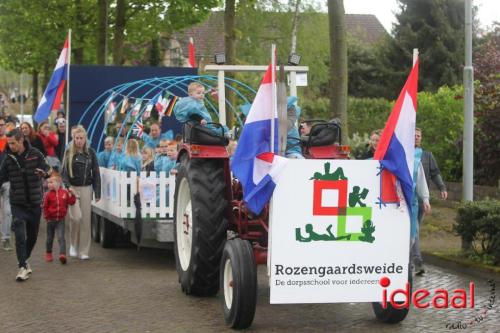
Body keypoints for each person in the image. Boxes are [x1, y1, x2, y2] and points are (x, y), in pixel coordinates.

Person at [0, 128, 51, 281]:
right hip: (18, 202)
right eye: (8, 143)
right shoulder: (8, 157)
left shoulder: (35, 153)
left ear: (21, 140)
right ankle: (22, 266)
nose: (10, 146)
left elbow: (48, 168)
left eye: (13, 143)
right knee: (19, 231)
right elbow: (1, 177)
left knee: (32, 237)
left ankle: (24, 260)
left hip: (35, 203)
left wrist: (45, 173)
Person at [61, 126, 101, 260]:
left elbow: (96, 172)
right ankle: (73, 244)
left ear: (85, 139)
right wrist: (67, 186)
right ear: (73, 139)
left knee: (85, 221)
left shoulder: (91, 153)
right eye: (76, 138)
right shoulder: (68, 152)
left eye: (81, 138)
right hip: (72, 188)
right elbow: (64, 173)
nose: (79, 141)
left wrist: (97, 191)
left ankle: (84, 251)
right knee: (75, 218)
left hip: (86, 188)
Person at [412, 128, 447, 275]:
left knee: (415, 229)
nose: (416, 138)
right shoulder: (404, 154)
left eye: (418, 136)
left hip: (420, 199)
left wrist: (442, 187)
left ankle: (414, 259)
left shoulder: (426, 156)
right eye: (413, 136)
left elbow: (435, 173)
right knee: (414, 230)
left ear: (422, 138)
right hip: (406, 199)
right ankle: (417, 260)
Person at [43, 172, 76, 264]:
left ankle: (62, 254)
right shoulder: (48, 195)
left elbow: (71, 202)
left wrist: (73, 195)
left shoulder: (64, 193)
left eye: (51, 182)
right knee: (50, 238)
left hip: (60, 219)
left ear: (58, 182)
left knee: (61, 237)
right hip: (50, 220)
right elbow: (45, 206)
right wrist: (46, 217)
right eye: (48, 183)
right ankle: (48, 253)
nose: (49, 184)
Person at [0, 116, 12, 251]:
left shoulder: (10, 143)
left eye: (2, 124)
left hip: (7, 181)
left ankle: (6, 238)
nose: (0, 127)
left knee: (7, 211)